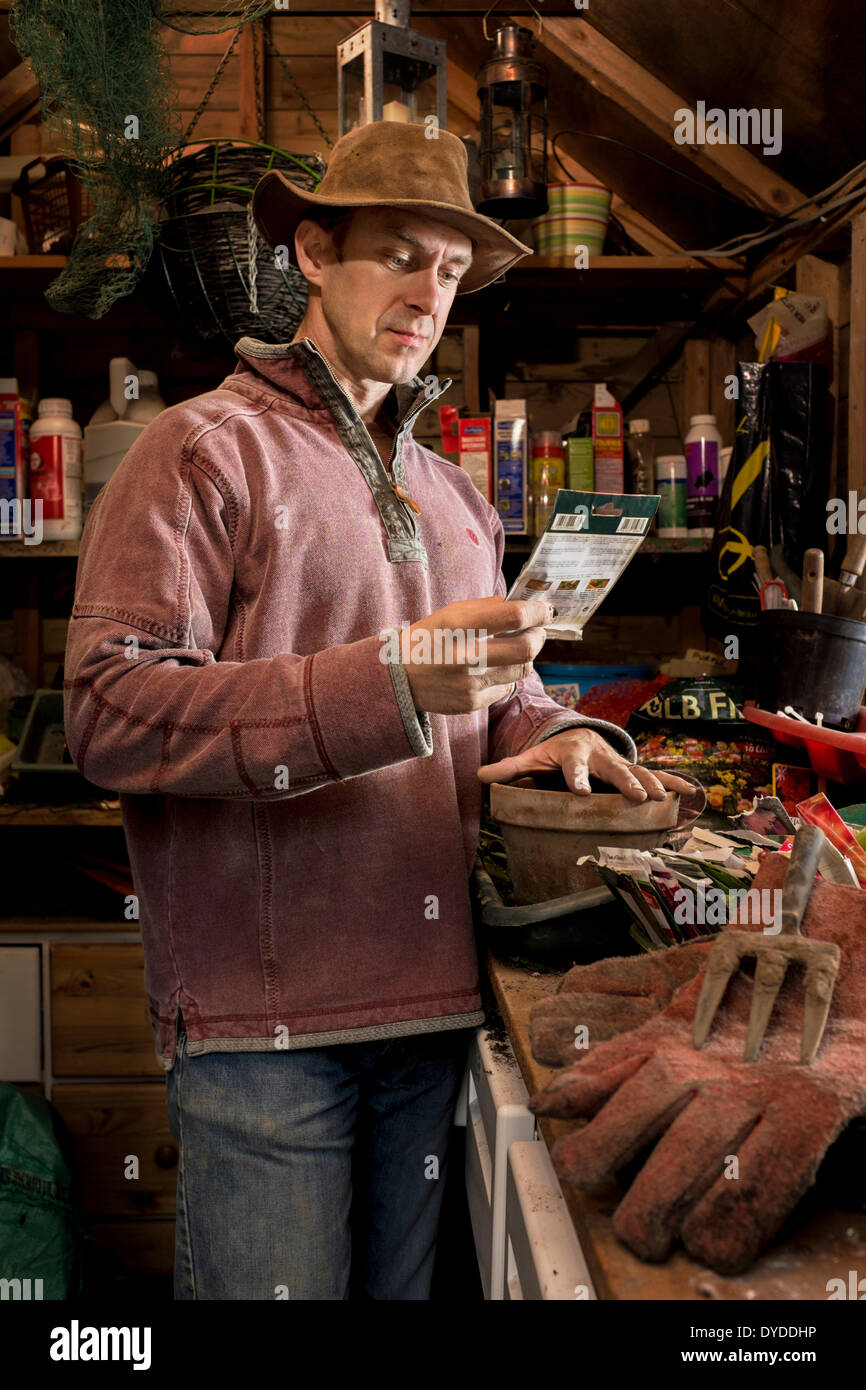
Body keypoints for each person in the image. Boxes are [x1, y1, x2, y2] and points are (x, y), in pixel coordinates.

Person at [64, 121, 689, 1300]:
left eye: (449, 272)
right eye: (397, 254)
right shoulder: (198, 452)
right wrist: (385, 682)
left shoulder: (451, 492)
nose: (426, 294)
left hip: (435, 1012)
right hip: (266, 1032)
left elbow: (495, 696)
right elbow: (110, 714)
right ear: (308, 250)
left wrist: (558, 738)